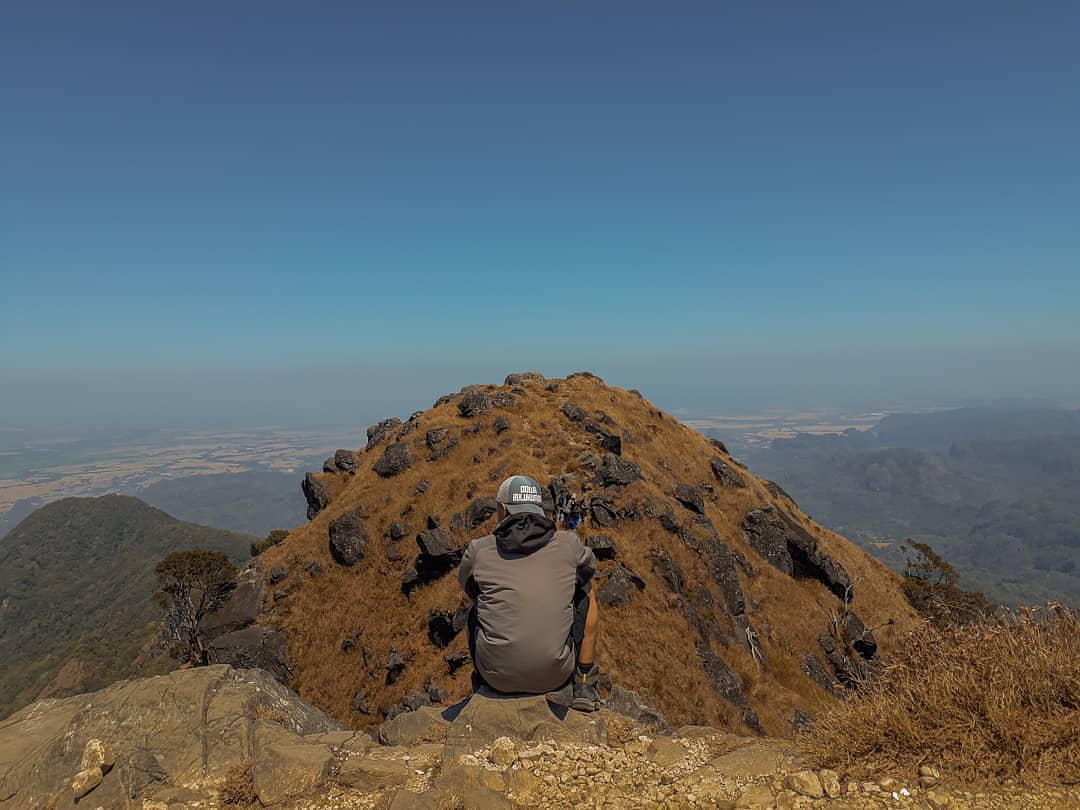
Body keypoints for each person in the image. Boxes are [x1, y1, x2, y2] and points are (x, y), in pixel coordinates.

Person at [458, 474, 601, 711]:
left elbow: (468, 586)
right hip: (555, 675)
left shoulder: (479, 550)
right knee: (586, 592)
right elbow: (589, 568)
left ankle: (481, 682)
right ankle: (584, 685)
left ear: (503, 508)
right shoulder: (569, 545)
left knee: (477, 605)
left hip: (496, 678)